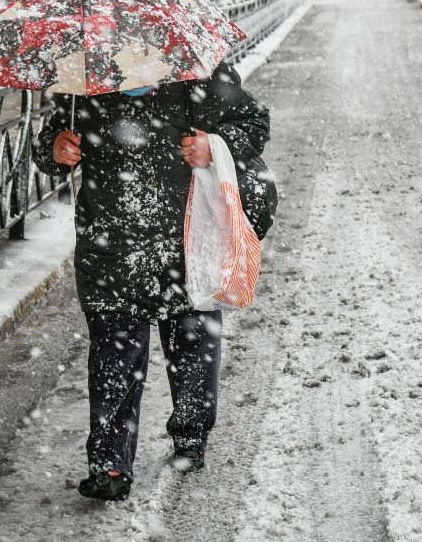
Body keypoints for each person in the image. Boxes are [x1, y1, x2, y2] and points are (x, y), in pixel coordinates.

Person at [33, 62, 270, 502]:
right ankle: (109, 464)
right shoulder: (81, 77)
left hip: (186, 239)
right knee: (112, 356)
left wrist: (214, 146)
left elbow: (254, 123)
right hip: (109, 242)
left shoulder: (199, 74)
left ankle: (190, 435)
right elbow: (50, 140)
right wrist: (54, 148)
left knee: (193, 346)